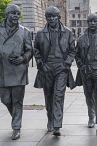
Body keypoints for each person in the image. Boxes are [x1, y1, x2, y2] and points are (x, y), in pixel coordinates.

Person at [0, 4, 33, 140]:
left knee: (17, 101)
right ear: (7, 15)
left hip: (18, 70)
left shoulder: (24, 31)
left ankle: (16, 127)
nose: (16, 16)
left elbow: (30, 50)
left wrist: (23, 58)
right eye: (13, 14)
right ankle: (16, 118)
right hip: (2, 69)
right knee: (5, 99)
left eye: (18, 14)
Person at [33, 6, 76, 136]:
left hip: (61, 68)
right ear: (46, 18)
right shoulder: (41, 33)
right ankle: (50, 120)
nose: (51, 19)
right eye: (49, 16)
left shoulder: (67, 32)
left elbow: (72, 50)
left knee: (58, 95)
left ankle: (57, 124)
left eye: (54, 16)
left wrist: (66, 63)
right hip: (46, 68)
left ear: (58, 17)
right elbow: (36, 50)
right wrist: (41, 64)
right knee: (49, 96)